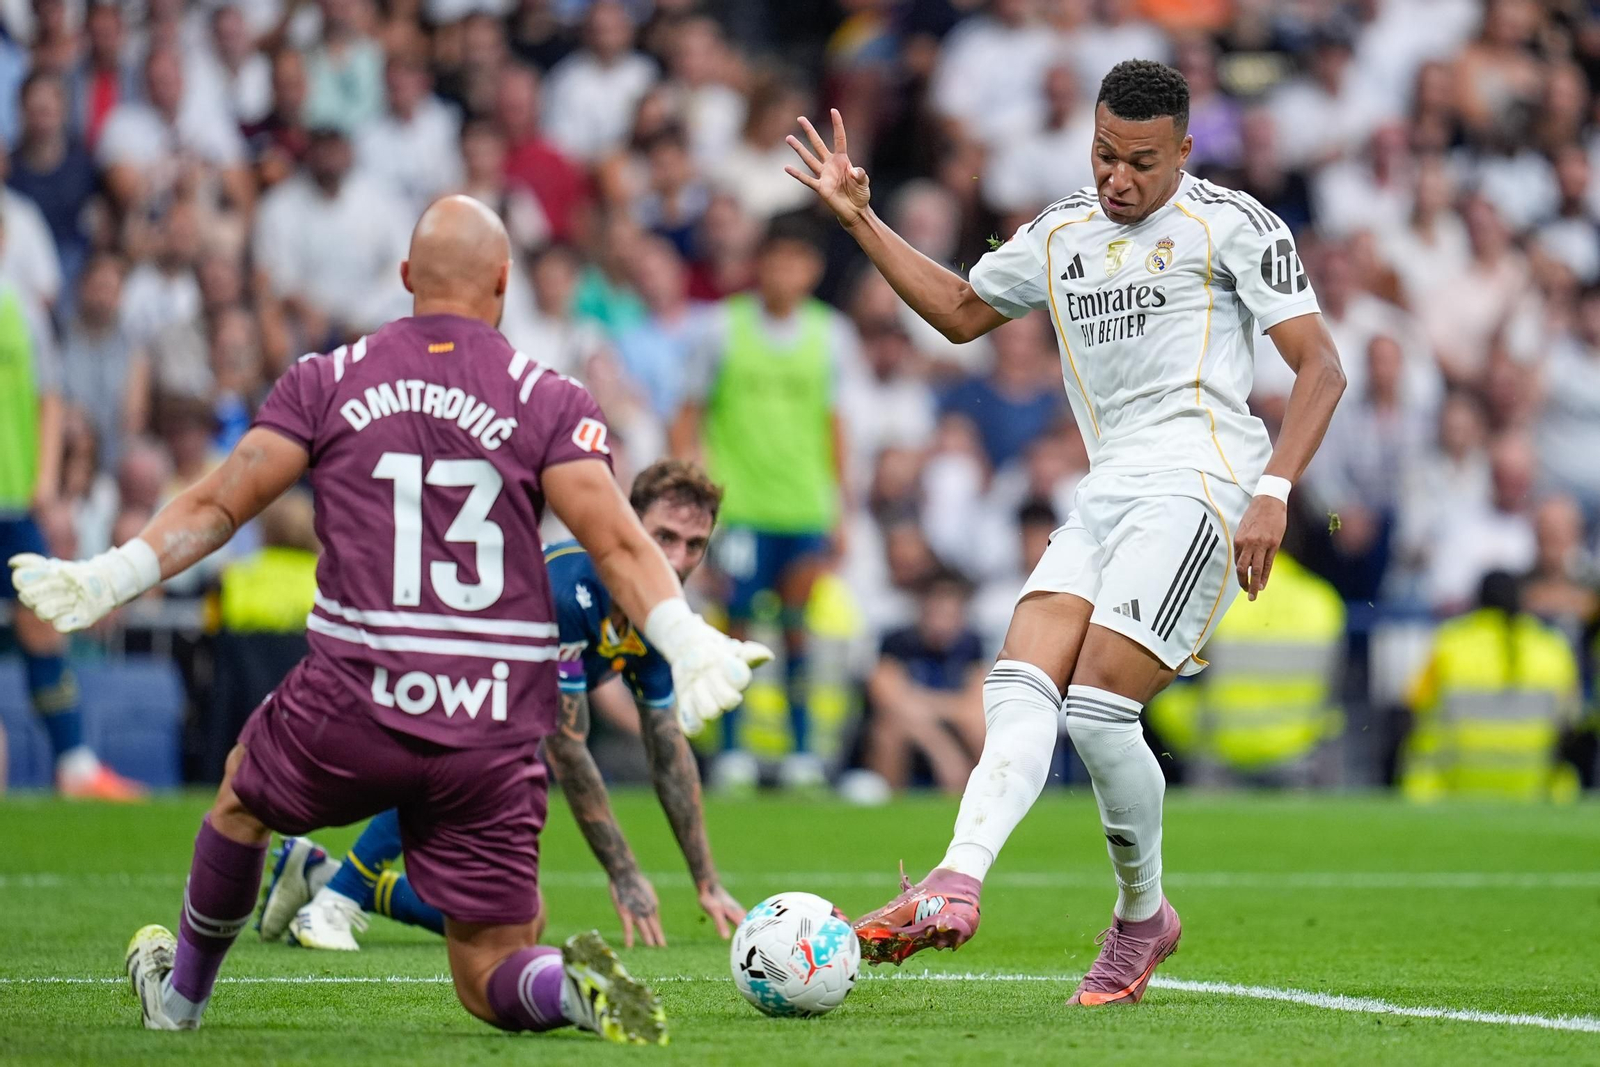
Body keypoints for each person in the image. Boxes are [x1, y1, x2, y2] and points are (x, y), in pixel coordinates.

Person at [8, 195, 767, 1043]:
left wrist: (111, 574)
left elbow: (224, 500)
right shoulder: (548, 398)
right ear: (505, 283)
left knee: (237, 803)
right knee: (490, 970)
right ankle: (560, 982)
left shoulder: (328, 378)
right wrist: (688, 636)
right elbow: (620, 543)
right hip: (490, 719)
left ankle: (180, 1000)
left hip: (357, 697)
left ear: (407, 278)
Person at [785, 60, 1345, 1004]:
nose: (1116, 179)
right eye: (1101, 155)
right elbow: (963, 311)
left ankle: (1141, 919)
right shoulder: (1060, 232)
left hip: (1203, 487)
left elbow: (1320, 367)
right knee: (1019, 680)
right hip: (1106, 493)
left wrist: (1276, 490)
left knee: (1094, 709)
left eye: (1138, 162)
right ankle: (954, 880)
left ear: (1183, 153)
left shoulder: (1236, 225)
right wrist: (858, 221)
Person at [257, 460, 747, 951]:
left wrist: (706, 881)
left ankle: (318, 875)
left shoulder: (656, 618)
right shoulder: (568, 590)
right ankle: (334, 902)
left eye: (694, 544)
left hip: (492, 719)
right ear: (627, 524)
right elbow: (568, 750)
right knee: (453, 761)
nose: (678, 559)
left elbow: (666, 748)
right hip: (427, 671)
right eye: (664, 536)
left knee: (522, 924)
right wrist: (624, 873)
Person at [670, 211, 857, 790]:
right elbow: (687, 416)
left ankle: (802, 753)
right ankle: (732, 751)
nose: (785, 273)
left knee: (799, 629)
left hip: (803, 506)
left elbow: (836, 428)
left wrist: (842, 506)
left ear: (813, 270)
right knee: (736, 627)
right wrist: (693, 500)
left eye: (797, 262)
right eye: (775, 260)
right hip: (740, 506)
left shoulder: (832, 335)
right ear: (760, 265)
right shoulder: (721, 328)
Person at [0, 218, 144, 801]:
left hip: (13, 497)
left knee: (41, 626)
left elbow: (49, 395)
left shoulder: (20, 309)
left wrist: (45, 483)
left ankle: (75, 765)